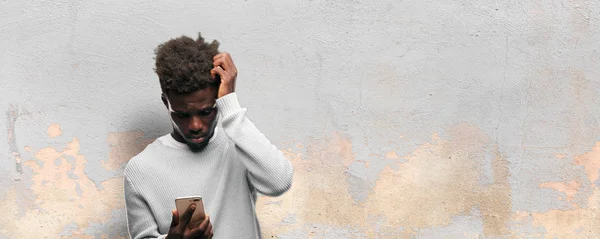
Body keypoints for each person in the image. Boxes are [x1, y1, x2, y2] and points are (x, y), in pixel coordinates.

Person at [123, 33, 294, 239]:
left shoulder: (237, 142)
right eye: (182, 115)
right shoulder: (141, 169)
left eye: (206, 111)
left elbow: (279, 182)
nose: (195, 125)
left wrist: (229, 103)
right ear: (165, 102)